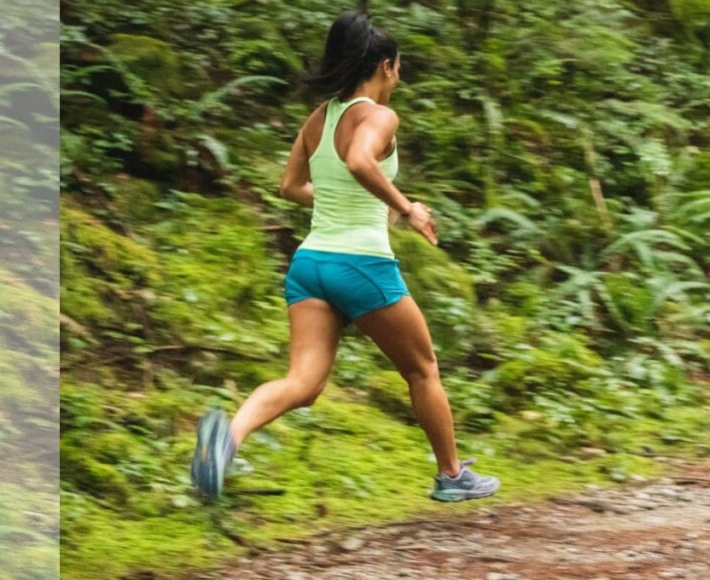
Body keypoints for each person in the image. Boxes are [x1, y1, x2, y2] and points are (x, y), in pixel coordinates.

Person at [190, 10, 500, 503]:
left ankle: (226, 440)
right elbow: (358, 159)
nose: (399, 76)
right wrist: (407, 208)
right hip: (361, 264)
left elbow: (289, 187)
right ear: (384, 66)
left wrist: (346, 199)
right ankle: (452, 475)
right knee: (423, 369)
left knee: (303, 383)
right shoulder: (379, 116)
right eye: (398, 67)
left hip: (311, 265)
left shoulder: (319, 117)